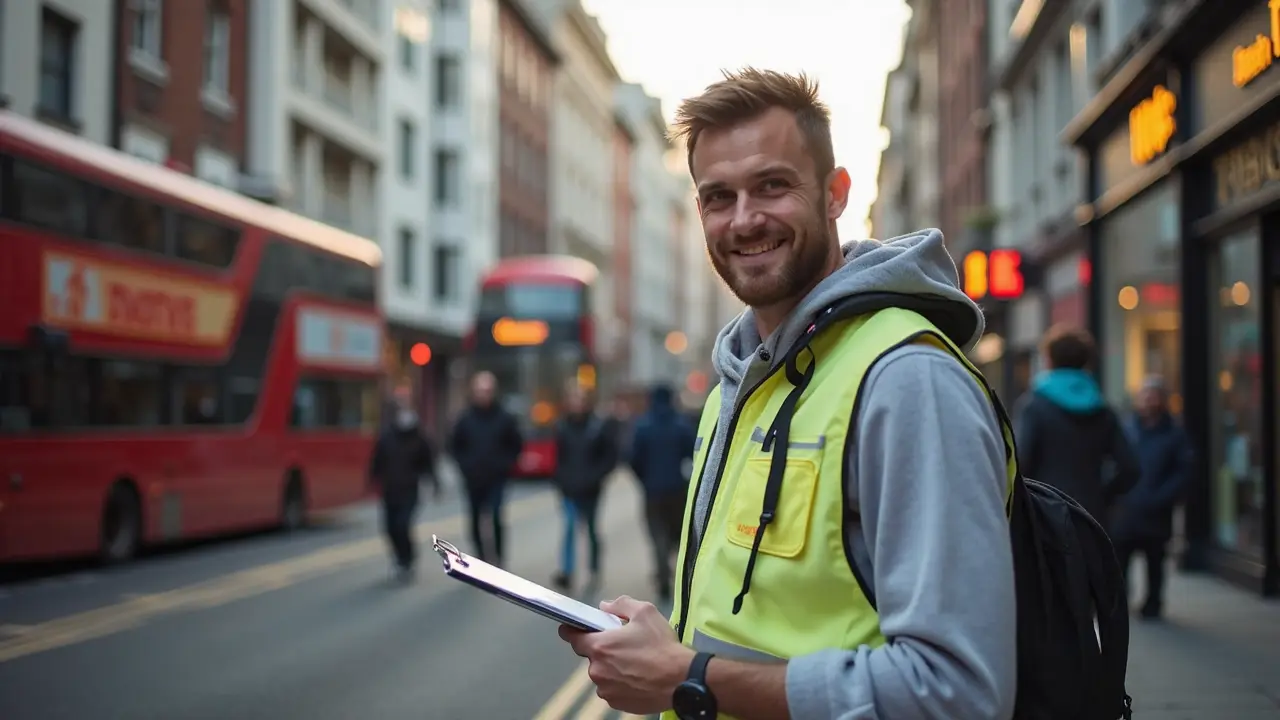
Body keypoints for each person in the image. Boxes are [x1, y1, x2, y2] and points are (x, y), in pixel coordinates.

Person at [559, 68, 1017, 720]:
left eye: (771, 186)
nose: (744, 220)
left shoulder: (908, 382)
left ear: (835, 194)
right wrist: (668, 646)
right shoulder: (733, 390)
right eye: (718, 197)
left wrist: (690, 677)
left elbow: (957, 694)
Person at [1014, 325, 1141, 522]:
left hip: (1045, 513)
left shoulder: (1034, 406)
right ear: (1087, 362)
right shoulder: (1102, 409)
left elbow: (1021, 463)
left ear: (1049, 360)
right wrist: (1103, 495)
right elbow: (1130, 468)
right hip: (1091, 515)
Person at [1112, 376, 1192, 620]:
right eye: (1145, 395)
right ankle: (1118, 607)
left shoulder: (1175, 434)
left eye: (1154, 395)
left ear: (1163, 400)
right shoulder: (1126, 429)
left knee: (1155, 562)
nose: (1149, 400)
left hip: (1156, 511)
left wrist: (1162, 498)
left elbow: (1184, 472)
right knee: (1119, 563)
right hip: (1127, 509)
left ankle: (1153, 605)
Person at [627, 383, 696, 601]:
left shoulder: (643, 425)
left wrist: (645, 480)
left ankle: (662, 576)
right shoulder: (681, 424)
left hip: (652, 491)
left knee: (657, 534)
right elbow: (693, 453)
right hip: (677, 490)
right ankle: (681, 573)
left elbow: (633, 458)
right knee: (678, 533)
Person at [448, 371, 523, 565]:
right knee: (474, 519)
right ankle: (480, 557)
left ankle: (498, 557)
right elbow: (455, 446)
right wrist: (465, 465)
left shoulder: (504, 418)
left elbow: (516, 445)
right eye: (480, 391)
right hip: (473, 478)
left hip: (496, 477)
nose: (484, 395)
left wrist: (505, 464)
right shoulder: (465, 419)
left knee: (496, 516)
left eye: (487, 391)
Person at [368, 380, 438, 581]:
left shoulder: (419, 435)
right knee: (390, 527)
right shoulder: (387, 435)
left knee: (402, 524)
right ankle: (399, 558)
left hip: (409, 488)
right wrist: (373, 479)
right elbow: (378, 458)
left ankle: (407, 559)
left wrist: (434, 483)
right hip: (390, 489)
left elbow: (428, 461)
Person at [551, 384, 618, 591]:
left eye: (580, 399)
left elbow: (609, 457)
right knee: (569, 527)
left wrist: (596, 477)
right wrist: (561, 479)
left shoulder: (597, 427)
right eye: (573, 399)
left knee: (590, 529)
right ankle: (567, 571)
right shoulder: (562, 427)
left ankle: (594, 569)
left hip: (591, 489)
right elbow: (559, 458)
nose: (577, 404)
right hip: (569, 488)